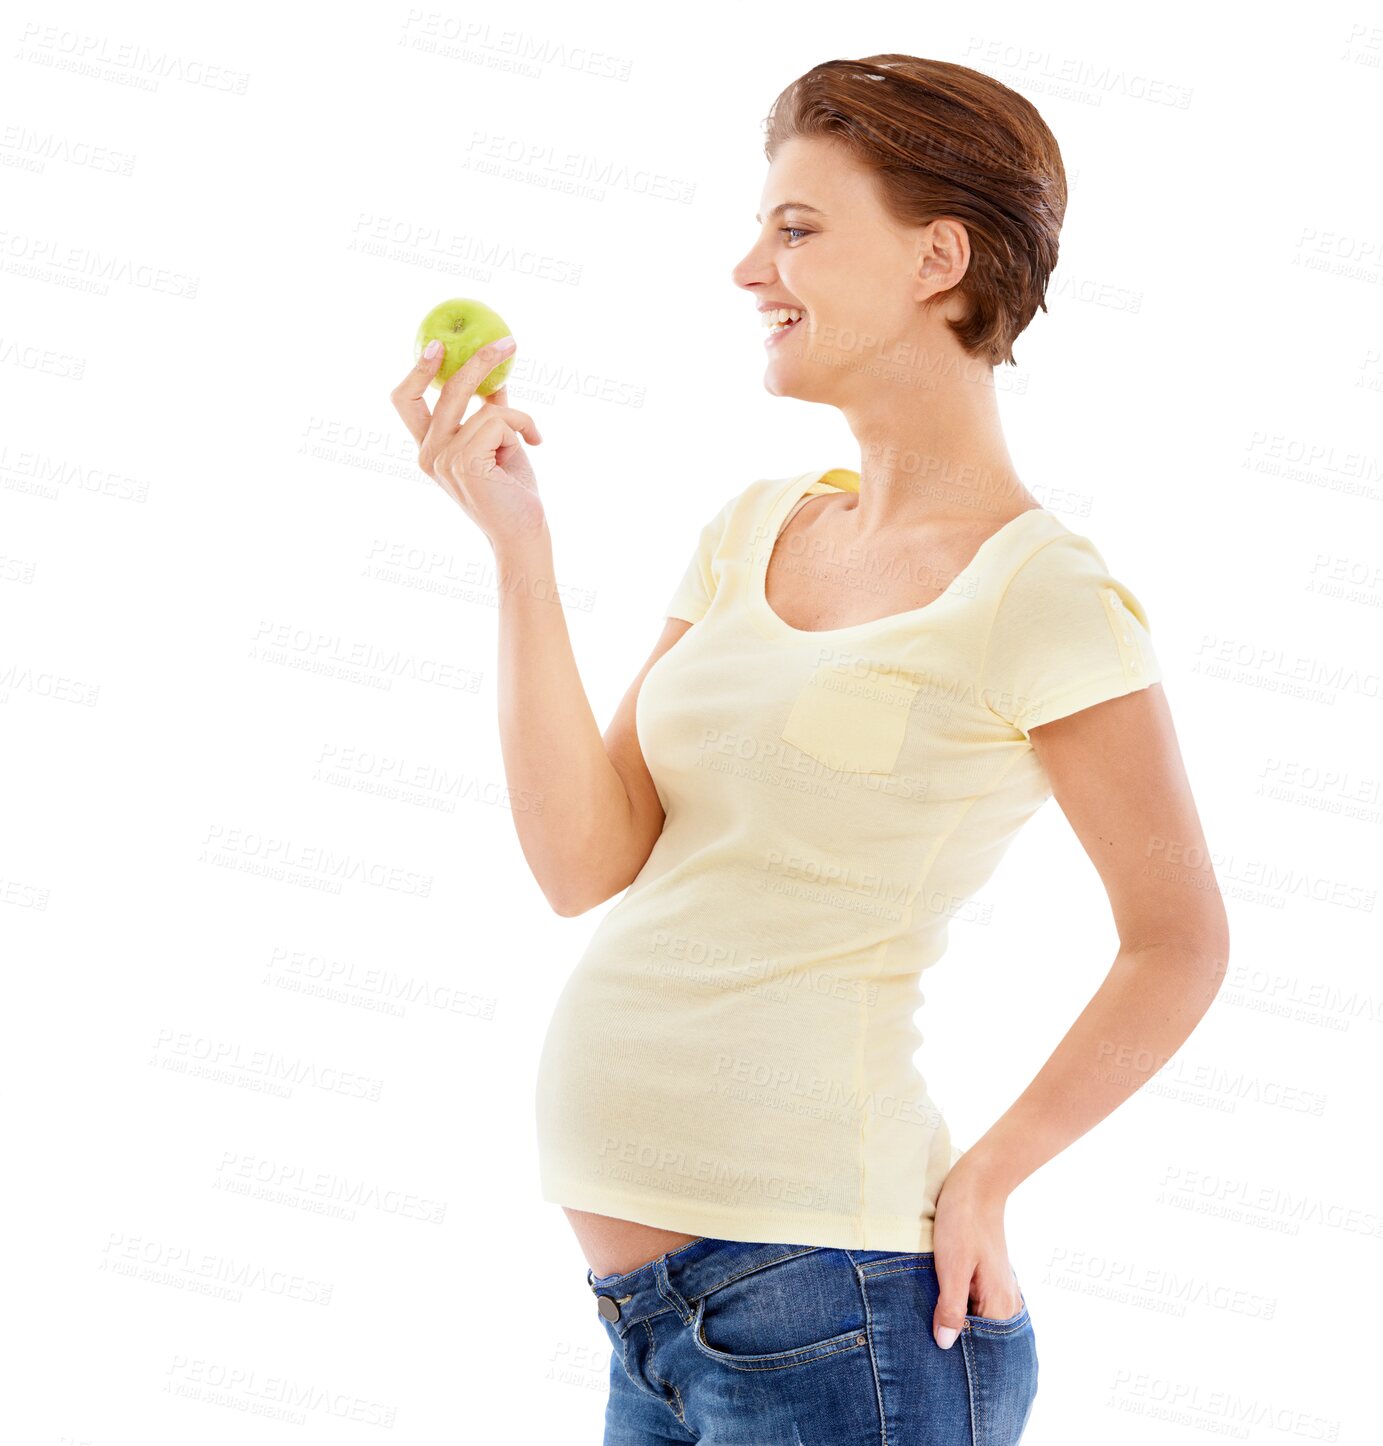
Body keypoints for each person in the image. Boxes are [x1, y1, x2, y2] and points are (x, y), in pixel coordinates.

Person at [391, 52, 1228, 1446]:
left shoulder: (1041, 592)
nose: (746, 269)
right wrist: (516, 547)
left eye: (796, 227)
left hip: (838, 1317)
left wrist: (990, 1177)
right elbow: (583, 858)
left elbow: (1179, 938)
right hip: (654, 1325)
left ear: (936, 259)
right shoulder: (755, 523)